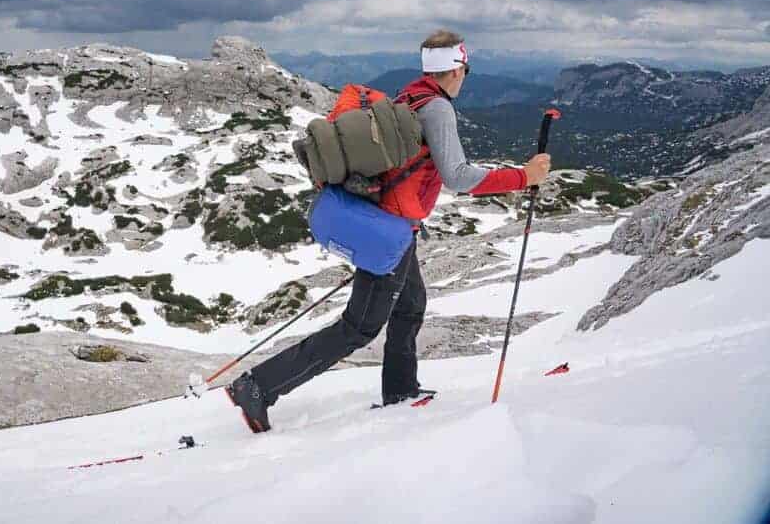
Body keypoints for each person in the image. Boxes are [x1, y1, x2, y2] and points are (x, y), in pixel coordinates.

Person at [226, 29, 552, 432]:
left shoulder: (410, 95)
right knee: (359, 327)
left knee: (411, 304)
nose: (464, 77)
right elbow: (458, 176)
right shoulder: (438, 108)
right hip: (387, 234)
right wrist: (522, 177)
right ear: (457, 69)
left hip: (390, 224)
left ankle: (400, 391)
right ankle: (259, 386)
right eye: (465, 70)